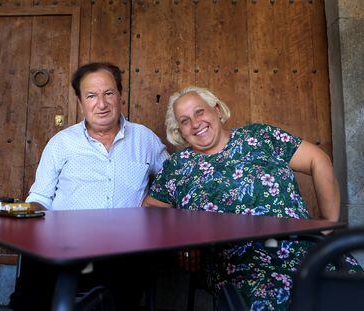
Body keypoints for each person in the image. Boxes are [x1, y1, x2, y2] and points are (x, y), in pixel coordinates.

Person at [143, 86, 362, 310]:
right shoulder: (178, 166)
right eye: (185, 120)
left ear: (217, 110)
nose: (195, 123)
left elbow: (318, 159)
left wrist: (327, 223)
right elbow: (151, 208)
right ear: (179, 130)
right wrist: (184, 238)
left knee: (352, 291)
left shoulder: (261, 136)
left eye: (200, 112)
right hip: (238, 263)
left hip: (304, 247)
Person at [10, 62, 168, 310]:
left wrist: (157, 204)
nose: (101, 104)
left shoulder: (144, 139)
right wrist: (27, 222)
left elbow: (174, 181)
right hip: (62, 242)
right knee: (32, 291)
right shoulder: (61, 143)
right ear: (80, 101)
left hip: (123, 247)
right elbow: (40, 196)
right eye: (92, 96)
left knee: (111, 295)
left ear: (120, 95)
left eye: (108, 93)